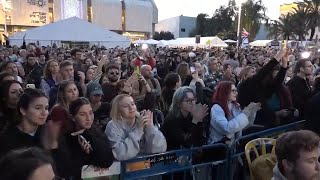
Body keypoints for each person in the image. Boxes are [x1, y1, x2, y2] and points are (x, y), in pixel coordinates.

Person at [44, 97, 114, 179]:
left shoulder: (96, 132)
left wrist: (89, 136)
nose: (88, 118)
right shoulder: (66, 137)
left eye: (91, 113)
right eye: (82, 114)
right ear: (73, 117)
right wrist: (83, 154)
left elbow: (107, 161)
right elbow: (65, 171)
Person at [105, 94, 167, 161]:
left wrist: (150, 128)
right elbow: (119, 154)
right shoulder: (113, 126)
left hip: (147, 165)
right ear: (118, 111)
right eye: (125, 106)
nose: (131, 108)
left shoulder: (142, 120)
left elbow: (160, 149)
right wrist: (138, 130)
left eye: (132, 104)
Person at [0, 88, 49, 157]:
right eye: (38, 108)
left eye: (46, 108)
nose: (44, 113)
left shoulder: (48, 131)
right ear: (23, 110)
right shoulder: (8, 138)